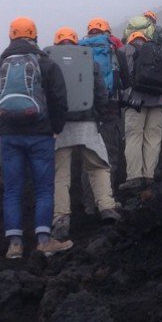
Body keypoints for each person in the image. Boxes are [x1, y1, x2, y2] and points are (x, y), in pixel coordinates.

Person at [0, 17, 73, 259]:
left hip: (9, 136)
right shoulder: (47, 64)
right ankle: (44, 241)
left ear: (11, 36)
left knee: (13, 190)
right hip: (40, 135)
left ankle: (14, 245)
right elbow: (59, 100)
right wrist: (55, 128)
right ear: (35, 36)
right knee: (44, 189)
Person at [44, 26, 121, 236]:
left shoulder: (48, 63)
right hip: (87, 123)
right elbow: (101, 93)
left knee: (61, 174)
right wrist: (99, 115)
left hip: (60, 127)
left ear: (56, 42)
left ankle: (61, 219)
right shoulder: (89, 60)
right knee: (98, 167)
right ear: (76, 41)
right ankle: (106, 207)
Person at [117, 29, 162, 192]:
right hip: (158, 101)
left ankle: (134, 177)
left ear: (130, 38)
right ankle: (149, 176)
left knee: (134, 137)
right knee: (153, 138)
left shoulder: (123, 51)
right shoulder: (158, 51)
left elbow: (119, 78)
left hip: (134, 102)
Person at [76, 17, 125, 197]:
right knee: (110, 154)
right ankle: (106, 201)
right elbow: (123, 78)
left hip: (84, 112)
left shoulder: (78, 50)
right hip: (109, 109)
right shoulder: (112, 48)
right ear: (107, 31)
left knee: (88, 159)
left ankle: (89, 204)